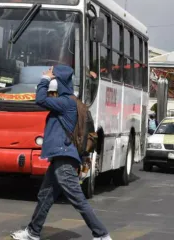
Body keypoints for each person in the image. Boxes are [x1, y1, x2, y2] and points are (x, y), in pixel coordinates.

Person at [10, 65, 111, 240]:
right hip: (61, 157)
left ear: (59, 82)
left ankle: (101, 234)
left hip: (64, 159)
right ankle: (33, 232)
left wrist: (44, 80)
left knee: (77, 198)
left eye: (53, 78)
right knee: (45, 195)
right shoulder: (70, 101)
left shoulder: (66, 102)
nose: (50, 81)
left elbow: (40, 100)